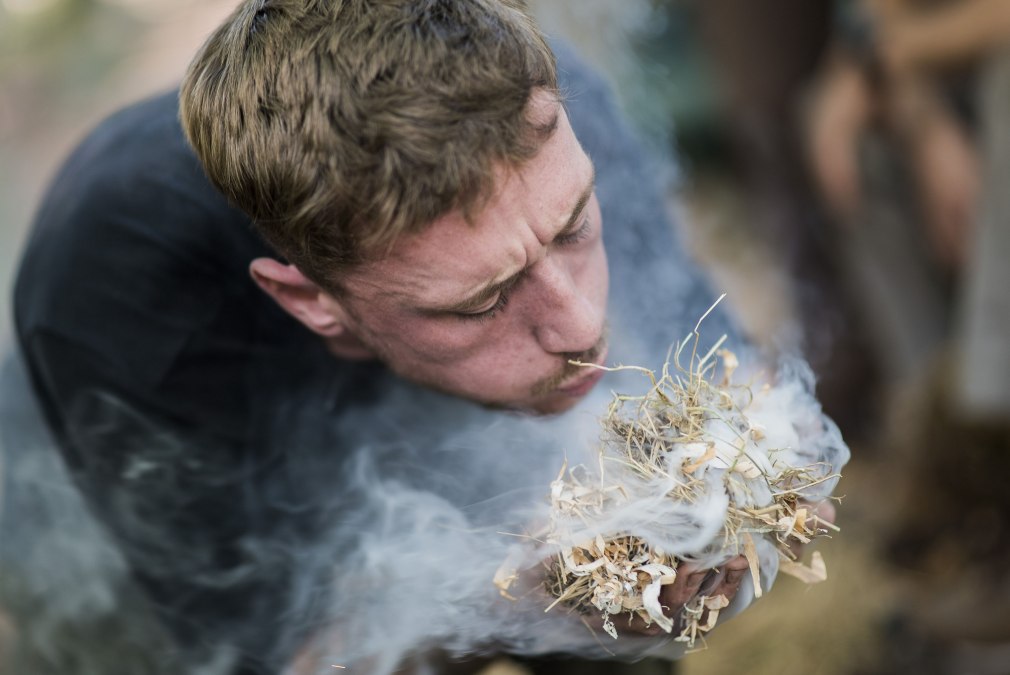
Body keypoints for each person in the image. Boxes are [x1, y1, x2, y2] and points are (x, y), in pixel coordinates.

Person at [8, 1, 824, 673]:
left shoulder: (534, 102)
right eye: (484, 299)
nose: (582, 327)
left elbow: (730, 371)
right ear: (311, 302)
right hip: (98, 489)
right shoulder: (124, 285)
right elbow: (291, 655)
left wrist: (742, 480)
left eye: (574, 230)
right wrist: (508, 600)